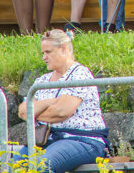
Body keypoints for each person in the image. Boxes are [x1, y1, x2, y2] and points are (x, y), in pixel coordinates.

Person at [15, 30, 109, 173]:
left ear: (63, 48)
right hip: (45, 140)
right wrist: (50, 102)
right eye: (42, 53)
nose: (44, 57)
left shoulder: (80, 74)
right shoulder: (43, 80)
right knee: (12, 167)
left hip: (82, 140)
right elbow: (22, 111)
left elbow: (61, 112)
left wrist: (35, 111)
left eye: (48, 52)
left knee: (42, 167)